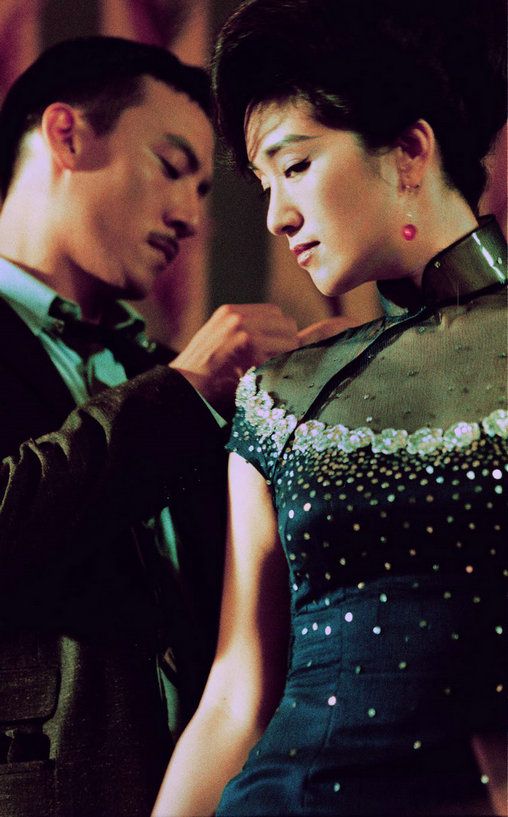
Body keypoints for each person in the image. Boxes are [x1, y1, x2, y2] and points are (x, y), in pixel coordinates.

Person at [153, 1, 508, 815]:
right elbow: (235, 698)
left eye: (296, 165)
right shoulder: (283, 395)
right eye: (265, 182)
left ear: (410, 151)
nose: (275, 215)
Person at [0, 35, 304, 817]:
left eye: (202, 191)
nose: (190, 218)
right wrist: (183, 392)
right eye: (172, 167)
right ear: (66, 135)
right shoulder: (178, 390)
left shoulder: (172, 379)